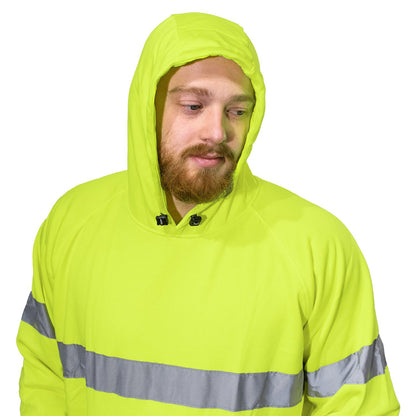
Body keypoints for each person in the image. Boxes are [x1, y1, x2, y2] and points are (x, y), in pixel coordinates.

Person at [16, 12, 400, 415]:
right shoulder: (72, 222)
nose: (217, 132)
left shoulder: (316, 246)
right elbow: (45, 377)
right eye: (193, 105)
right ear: (147, 107)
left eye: (237, 111)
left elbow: (360, 408)